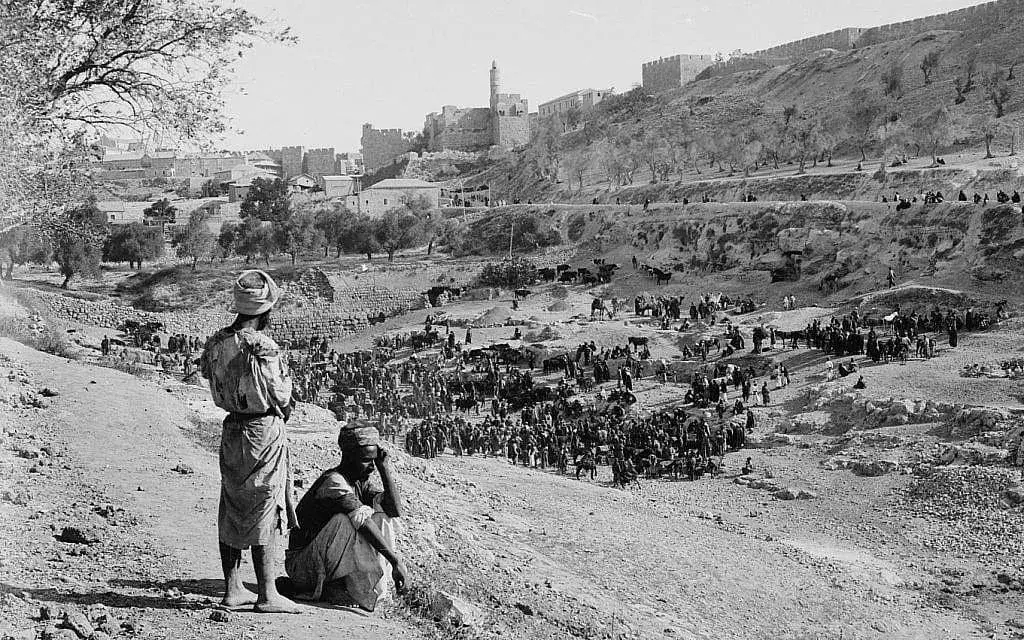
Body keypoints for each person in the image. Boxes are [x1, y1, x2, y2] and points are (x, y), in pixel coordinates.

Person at [200, 270, 300, 613]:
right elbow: (281, 393)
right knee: (264, 505)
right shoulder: (263, 346)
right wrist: (285, 405)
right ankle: (267, 593)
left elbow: (207, 377)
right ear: (266, 311)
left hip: (232, 429)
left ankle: (232, 588)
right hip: (262, 430)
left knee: (231, 503)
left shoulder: (216, 343)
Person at [281, 423, 408, 611]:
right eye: (366, 461)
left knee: (381, 516)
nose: (371, 467)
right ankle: (327, 587)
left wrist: (384, 469)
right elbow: (362, 522)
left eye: (374, 461)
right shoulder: (334, 481)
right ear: (348, 457)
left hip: (321, 562)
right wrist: (395, 560)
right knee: (349, 520)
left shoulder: (359, 482)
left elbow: (394, 510)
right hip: (303, 567)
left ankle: (374, 589)